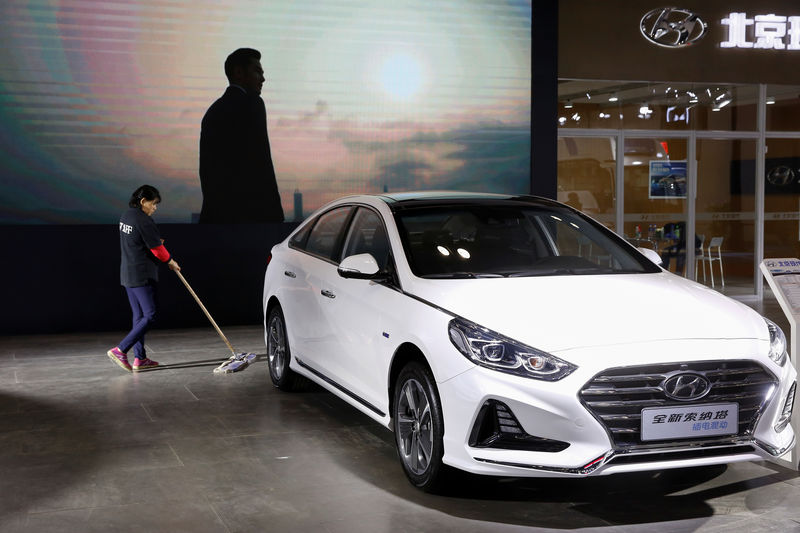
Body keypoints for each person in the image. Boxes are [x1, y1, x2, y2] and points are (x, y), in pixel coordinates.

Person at [198, 47, 284, 223]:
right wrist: (275, 215)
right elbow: (262, 162)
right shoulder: (252, 103)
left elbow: (207, 172)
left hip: (217, 218)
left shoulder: (213, 111)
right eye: (257, 71)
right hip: (251, 218)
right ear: (238, 72)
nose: (263, 79)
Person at [107, 185, 180, 372]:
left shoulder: (126, 216)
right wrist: (170, 261)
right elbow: (158, 250)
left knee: (139, 317)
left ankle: (140, 358)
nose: (154, 208)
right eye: (153, 203)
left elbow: (138, 241)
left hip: (127, 273)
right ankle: (121, 349)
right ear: (143, 201)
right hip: (142, 275)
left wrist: (155, 243)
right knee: (150, 315)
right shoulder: (144, 220)